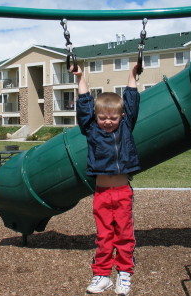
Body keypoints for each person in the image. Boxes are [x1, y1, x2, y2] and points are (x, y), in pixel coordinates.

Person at [73, 63, 141, 295]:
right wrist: (80, 78)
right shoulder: (91, 130)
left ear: (121, 117)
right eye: (103, 117)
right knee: (104, 236)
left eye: (113, 117)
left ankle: (124, 273)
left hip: (122, 192)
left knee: (124, 233)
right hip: (101, 193)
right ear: (96, 117)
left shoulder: (126, 127)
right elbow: (84, 105)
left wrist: (132, 75)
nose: (108, 121)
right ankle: (102, 275)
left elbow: (131, 101)